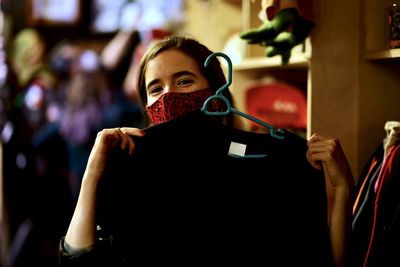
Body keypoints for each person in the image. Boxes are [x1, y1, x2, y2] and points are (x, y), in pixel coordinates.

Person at [58, 35, 354, 267]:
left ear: (216, 91)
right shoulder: (131, 165)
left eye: (184, 81)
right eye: (156, 88)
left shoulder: (275, 161)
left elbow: (321, 262)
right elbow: (78, 261)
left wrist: (342, 190)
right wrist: (92, 173)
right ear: (145, 104)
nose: (169, 96)